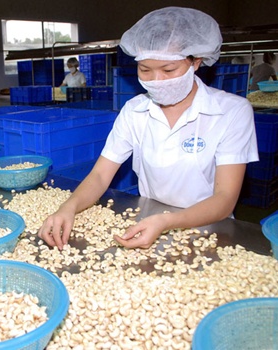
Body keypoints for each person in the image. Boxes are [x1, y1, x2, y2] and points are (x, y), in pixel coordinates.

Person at [38, 7, 258, 250]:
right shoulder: (135, 111)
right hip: (148, 221)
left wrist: (168, 222)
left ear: (196, 61)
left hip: (212, 228)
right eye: (145, 70)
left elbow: (224, 198)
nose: (156, 80)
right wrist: (68, 207)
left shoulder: (231, 111)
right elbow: (101, 175)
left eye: (168, 70)